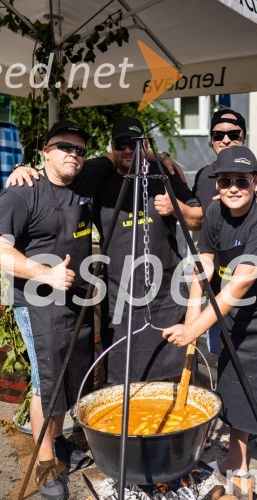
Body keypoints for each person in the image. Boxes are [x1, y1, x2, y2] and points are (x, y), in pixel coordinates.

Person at [163, 146, 257, 500]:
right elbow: (205, 263)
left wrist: (195, 328)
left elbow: (239, 283)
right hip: (232, 317)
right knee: (234, 392)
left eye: (242, 180)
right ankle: (233, 462)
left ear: (255, 183)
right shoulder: (213, 213)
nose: (234, 187)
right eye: (226, 181)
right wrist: (192, 314)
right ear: (216, 185)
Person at [0, 120, 113, 500]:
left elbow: (116, 154)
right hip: (39, 305)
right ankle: (43, 464)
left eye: (79, 149)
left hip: (74, 300)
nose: (73, 154)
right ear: (45, 152)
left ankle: (56, 442)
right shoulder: (23, 192)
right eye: (64, 147)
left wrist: (162, 157)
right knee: (48, 383)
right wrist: (45, 273)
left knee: (71, 377)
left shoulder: (83, 179)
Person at [94, 116, 202, 382]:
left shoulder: (163, 176)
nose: (128, 149)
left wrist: (177, 207)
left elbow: (199, 218)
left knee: (174, 376)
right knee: (122, 381)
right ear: (112, 146)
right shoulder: (100, 180)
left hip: (166, 295)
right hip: (121, 297)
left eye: (135, 143)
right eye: (122, 144)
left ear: (144, 146)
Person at [193, 109, 257, 217]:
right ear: (212, 140)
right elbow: (196, 218)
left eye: (234, 134)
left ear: (244, 138)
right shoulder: (203, 175)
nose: (226, 140)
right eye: (218, 135)